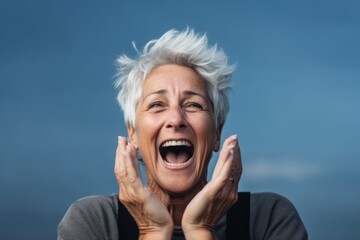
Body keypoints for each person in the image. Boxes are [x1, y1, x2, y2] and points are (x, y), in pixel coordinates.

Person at [58, 28, 308, 240]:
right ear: (132, 134)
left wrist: (201, 230)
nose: (176, 119)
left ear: (217, 132)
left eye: (193, 105)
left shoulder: (269, 220)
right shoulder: (93, 223)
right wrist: (152, 230)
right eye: (157, 105)